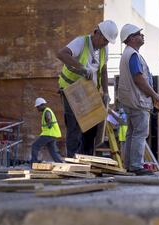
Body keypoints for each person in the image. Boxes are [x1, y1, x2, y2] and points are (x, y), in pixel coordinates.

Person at [56, 20, 118, 157]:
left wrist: (106, 92)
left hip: (88, 91)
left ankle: (87, 158)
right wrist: (81, 68)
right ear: (96, 33)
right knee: (74, 126)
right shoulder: (81, 42)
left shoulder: (103, 49)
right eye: (105, 40)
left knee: (91, 127)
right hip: (71, 90)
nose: (106, 43)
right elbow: (61, 54)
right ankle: (72, 159)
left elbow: (103, 70)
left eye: (108, 41)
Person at [117, 24, 159, 175]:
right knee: (140, 133)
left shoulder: (128, 54)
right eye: (139, 34)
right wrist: (154, 94)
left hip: (130, 101)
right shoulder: (133, 55)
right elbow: (139, 78)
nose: (142, 36)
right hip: (138, 101)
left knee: (132, 133)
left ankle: (130, 165)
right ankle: (136, 165)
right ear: (131, 38)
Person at [31, 97, 63, 164]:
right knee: (52, 150)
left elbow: (48, 118)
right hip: (52, 134)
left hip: (48, 134)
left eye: (38, 106)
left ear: (42, 105)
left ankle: (34, 163)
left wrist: (49, 124)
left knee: (35, 146)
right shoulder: (46, 111)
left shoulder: (47, 112)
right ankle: (60, 163)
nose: (37, 108)